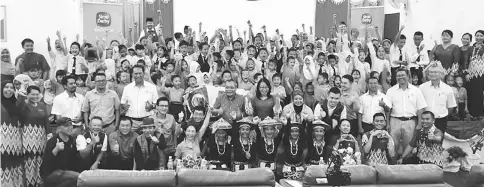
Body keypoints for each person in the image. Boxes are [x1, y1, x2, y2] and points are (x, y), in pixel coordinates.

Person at [386, 68, 428, 158]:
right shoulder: (391, 91)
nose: (400, 77)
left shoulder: (416, 90)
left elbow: (420, 108)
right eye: (398, 75)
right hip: (395, 121)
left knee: (409, 145)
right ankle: (394, 165)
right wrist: (388, 123)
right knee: (393, 144)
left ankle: (406, 165)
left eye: (403, 75)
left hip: (411, 121)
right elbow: (388, 109)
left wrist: (419, 124)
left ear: (408, 76)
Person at [17, 85, 52, 186]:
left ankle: (39, 181)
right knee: (29, 159)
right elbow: (19, 113)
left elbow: (46, 121)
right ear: (27, 95)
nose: (35, 96)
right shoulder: (23, 105)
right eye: (32, 94)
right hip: (27, 134)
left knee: (40, 158)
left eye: (37, 94)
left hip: (41, 135)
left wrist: (49, 134)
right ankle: (29, 182)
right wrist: (22, 97)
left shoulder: (42, 105)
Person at [40, 117, 81, 187]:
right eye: (66, 126)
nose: (70, 127)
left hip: (67, 172)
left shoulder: (72, 140)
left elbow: (75, 160)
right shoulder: (52, 141)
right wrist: (56, 150)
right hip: (52, 172)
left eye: (71, 125)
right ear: (59, 128)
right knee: (78, 177)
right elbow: (46, 165)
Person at [419, 62, 457, 134]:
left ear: (441, 74)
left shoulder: (447, 89)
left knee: (438, 143)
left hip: (441, 121)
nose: (433, 74)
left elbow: (451, 107)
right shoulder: (422, 87)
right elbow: (419, 105)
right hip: (425, 121)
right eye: (431, 72)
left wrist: (442, 115)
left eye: (435, 72)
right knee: (424, 142)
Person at [121, 65, 158, 132]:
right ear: (132, 74)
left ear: (143, 74)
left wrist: (152, 106)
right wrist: (124, 106)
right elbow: (123, 103)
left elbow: (156, 103)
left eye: (140, 73)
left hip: (147, 122)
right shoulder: (127, 88)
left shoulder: (152, 87)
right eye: (135, 73)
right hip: (132, 122)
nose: (138, 76)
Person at [1, 80, 23, 186]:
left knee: (14, 164)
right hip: (2, 140)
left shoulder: (16, 103)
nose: (9, 90)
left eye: (11, 87)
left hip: (15, 139)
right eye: (6, 87)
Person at [151, 97, 183, 161]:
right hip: (157, 150)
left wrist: (175, 147)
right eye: (162, 106)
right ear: (157, 107)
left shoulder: (171, 118)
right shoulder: (152, 119)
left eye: (166, 106)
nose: (164, 108)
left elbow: (174, 133)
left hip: (170, 149)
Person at [466, 30, 484, 118]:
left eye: (481, 36)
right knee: (471, 94)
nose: (479, 37)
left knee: (479, 94)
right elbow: (466, 62)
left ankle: (479, 114)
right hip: (471, 75)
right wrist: (467, 73)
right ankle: (471, 114)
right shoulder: (470, 48)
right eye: (477, 35)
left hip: (481, 75)